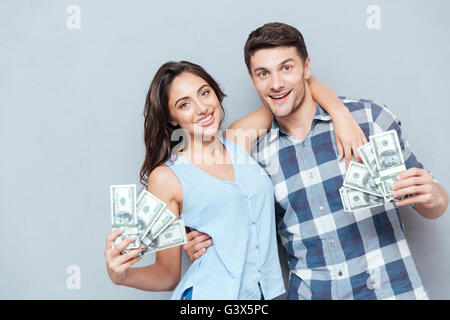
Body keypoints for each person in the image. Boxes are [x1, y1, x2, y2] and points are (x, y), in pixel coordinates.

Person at [185, 22, 449, 300]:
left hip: (392, 290)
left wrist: (433, 197)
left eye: (287, 67)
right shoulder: (252, 157)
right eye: (264, 73)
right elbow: (238, 229)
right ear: (253, 80)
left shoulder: (369, 120)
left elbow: (435, 205)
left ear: (306, 68)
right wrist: (201, 244)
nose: (276, 83)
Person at [104, 59, 366, 299]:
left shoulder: (238, 138)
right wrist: (121, 275)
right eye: (184, 104)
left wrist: (341, 116)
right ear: (172, 117)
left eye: (204, 93)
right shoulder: (167, 177)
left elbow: (302, 87)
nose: (202, 108)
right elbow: (167, 274)